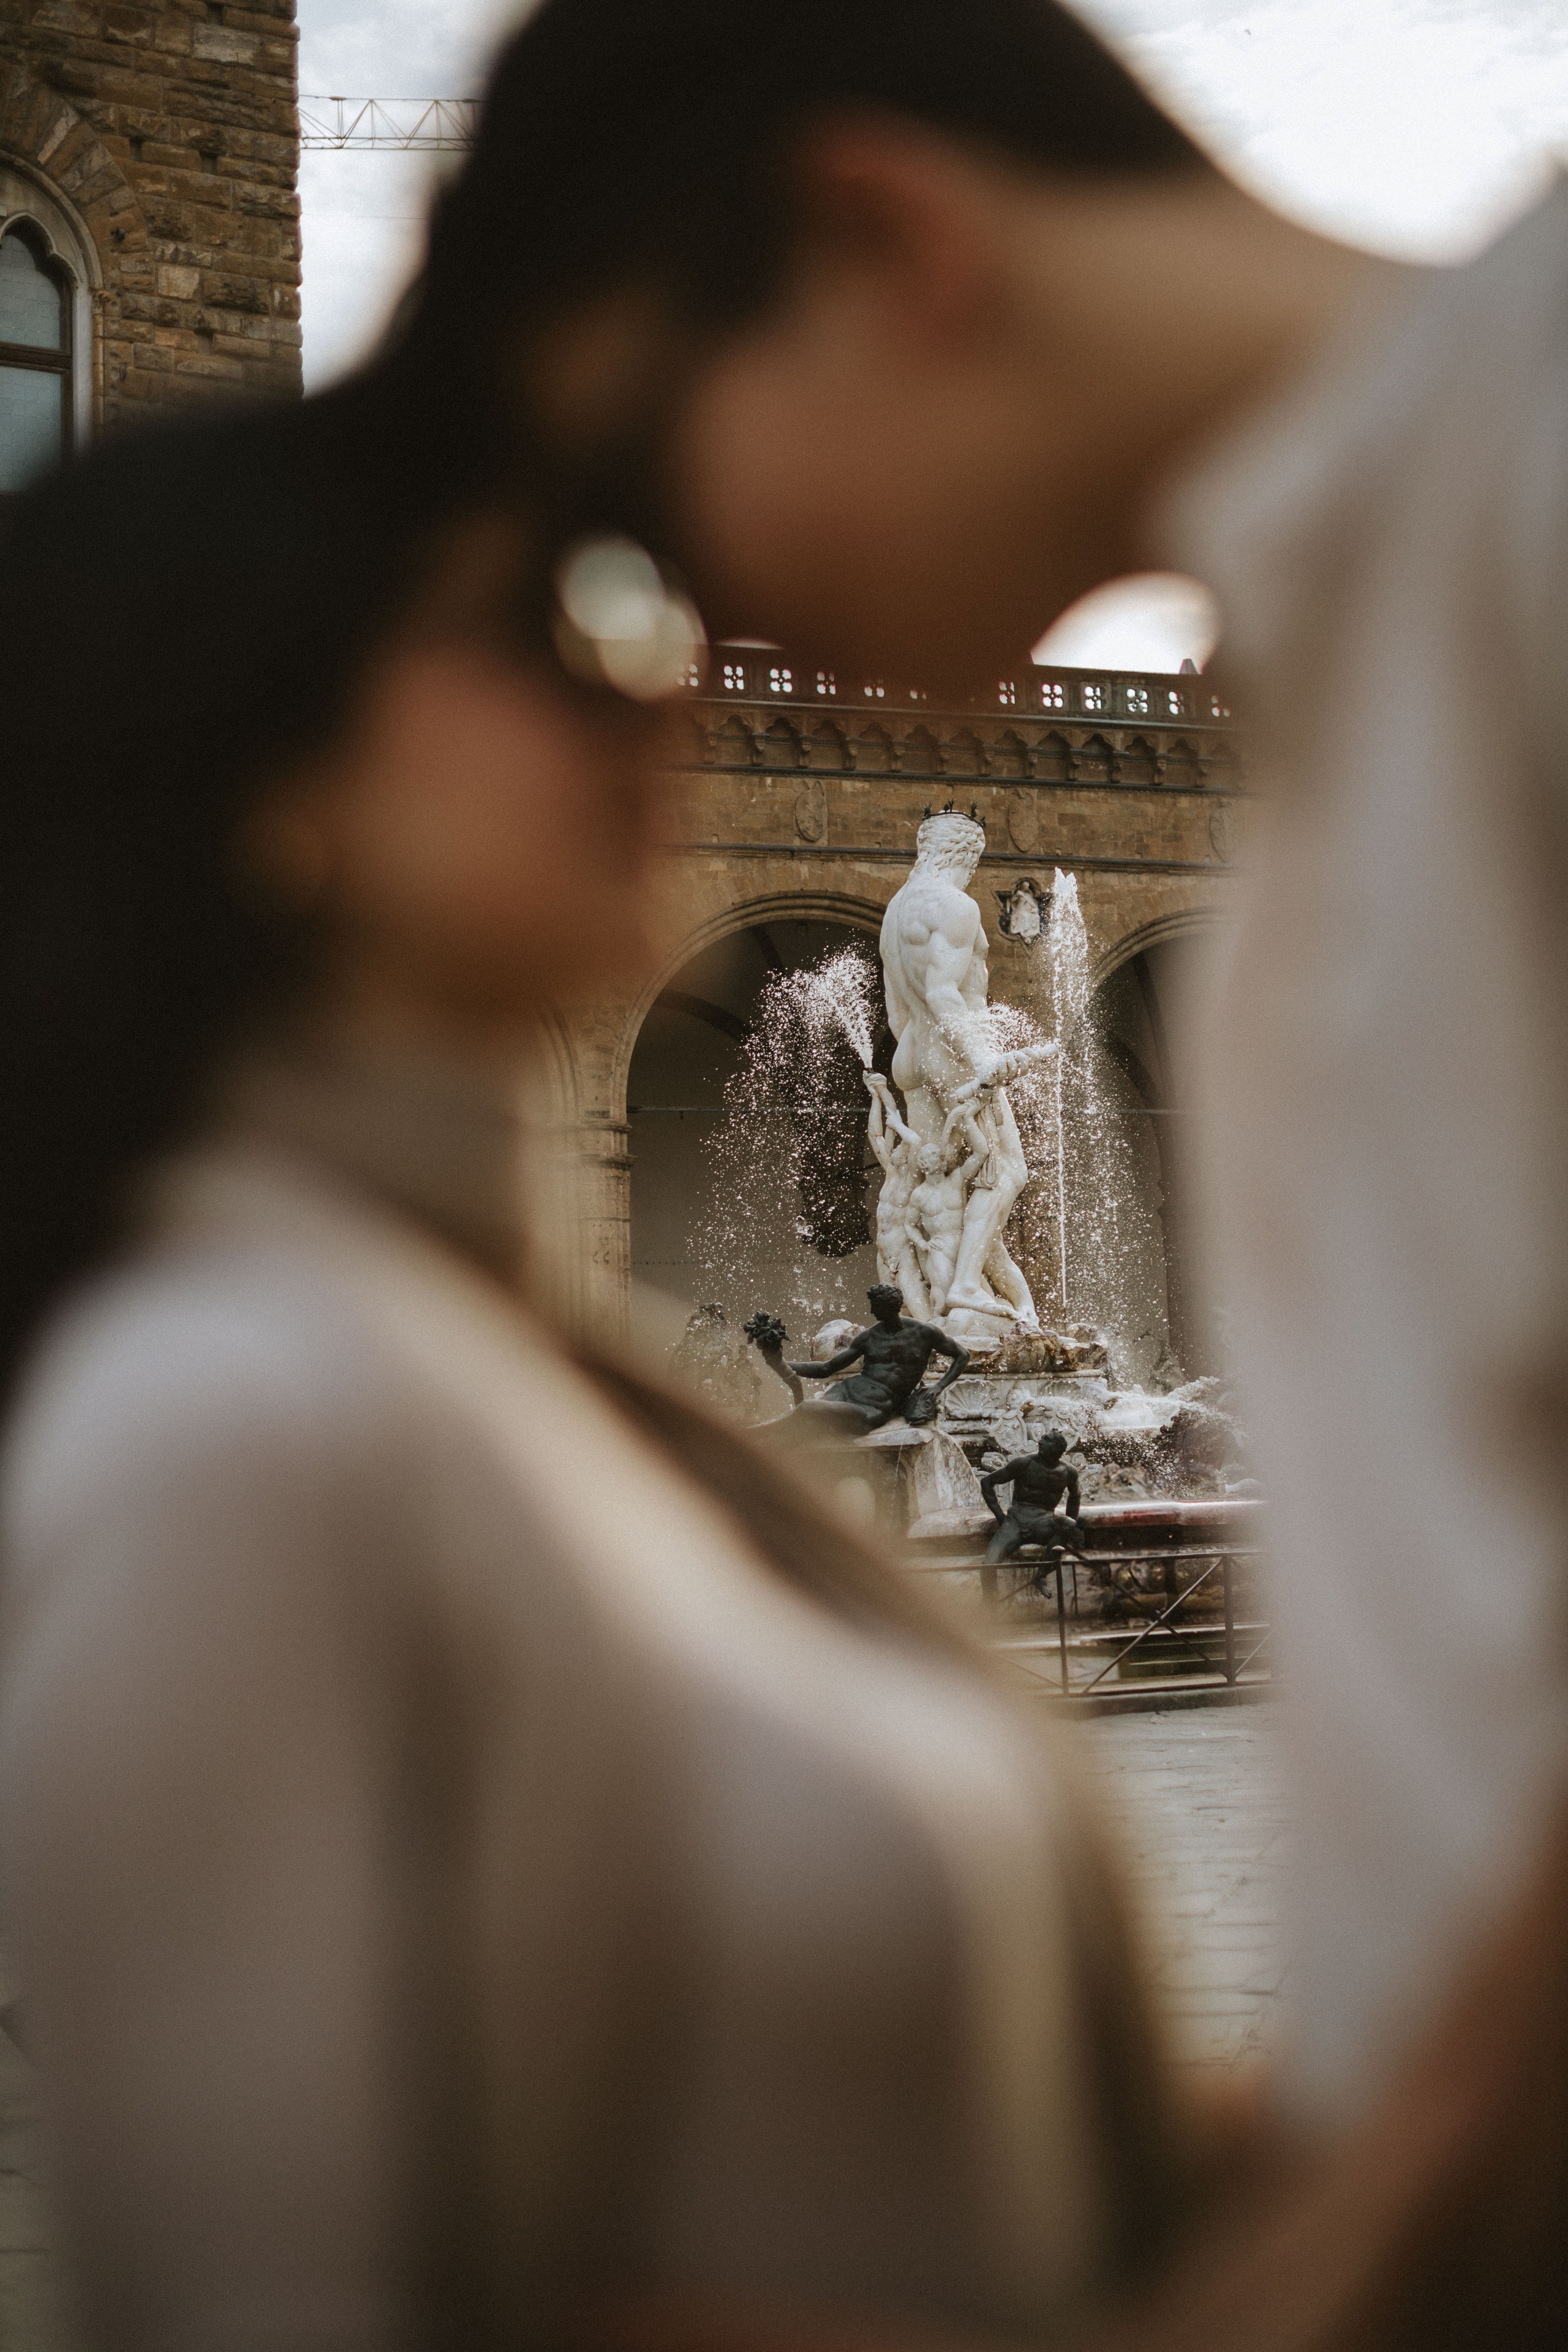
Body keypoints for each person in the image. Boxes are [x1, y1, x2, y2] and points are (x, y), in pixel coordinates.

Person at [391, 0, 1568, 2334]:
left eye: (640, 509)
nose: (650, 643)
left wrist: (1391, 2192)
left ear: (878, 241)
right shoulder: (1353, 650)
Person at [0, 393, 1184, 2350]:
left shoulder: (454, 1356)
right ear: (268, 784)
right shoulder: (223, 1417)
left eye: (637, 619)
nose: (657, 687)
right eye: (550, 638)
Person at [750, 1283, 968, 1432]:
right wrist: (781, 1362)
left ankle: (757, 1434)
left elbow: (962, 1355)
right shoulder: (869, 1336)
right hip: (845, 1391)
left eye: (875, 1306)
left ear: (887, 1307)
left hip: (872, 1409)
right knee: (806, 1420)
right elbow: (826, 1369)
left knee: (808, 1410)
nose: (872, 1312)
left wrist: (938, 1387)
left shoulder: (924, 1332)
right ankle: (760, 1438)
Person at [979, 1431, 1085, 1602]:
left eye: (1047, 1440)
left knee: (1069, 1524)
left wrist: (1067, 1530)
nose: (1040, 1441)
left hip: (1043, 1522)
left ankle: (1041, 1576)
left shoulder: (1069, 1472)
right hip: (1015, 1522)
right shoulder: (1024, 1463)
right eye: (1042, 1438)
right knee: (988, 1565)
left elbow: (1075, 1497)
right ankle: (990, 1605)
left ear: (1058, 1448)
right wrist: (1000, 1517)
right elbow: (987, 1482)